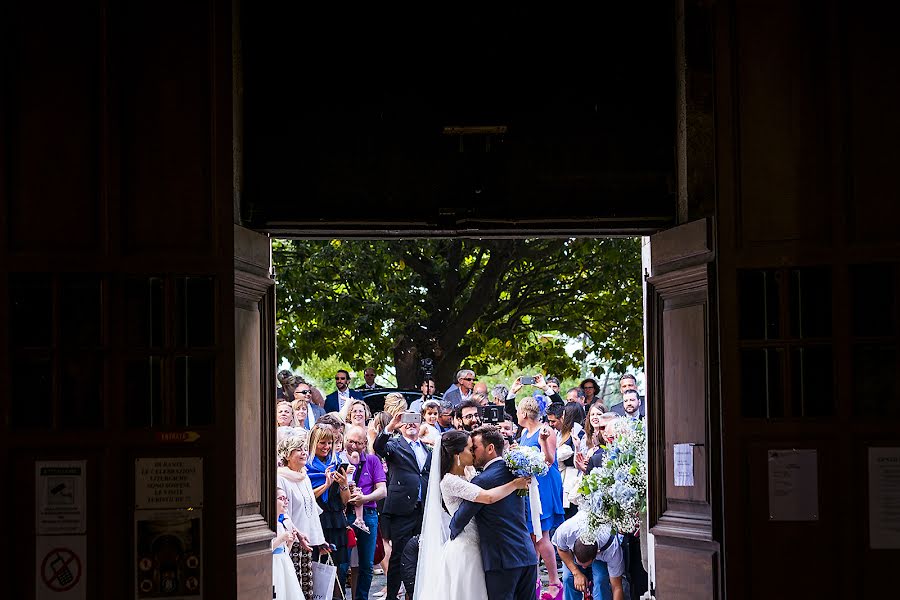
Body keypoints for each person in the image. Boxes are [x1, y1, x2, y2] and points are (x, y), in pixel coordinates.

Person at [414, 428, 531, 600]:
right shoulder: (450, 481)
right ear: (458, 455)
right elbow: (488, 497)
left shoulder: (472, 475)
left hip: (483, 548)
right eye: (470, 449)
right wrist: (514, 484)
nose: (473, 453)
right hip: (466, 547)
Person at [447, 425, 539, 600]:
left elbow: (460, 519)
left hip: (502, 560)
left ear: (490, 448)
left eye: (475, 448)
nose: (472, 452)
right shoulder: (517, 472)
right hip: (527, 554)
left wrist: (452, 534)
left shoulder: (482, 480)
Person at [374, 410, 432, 600]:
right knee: (399, 554)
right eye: (406, 421)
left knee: (421, 553)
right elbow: (379, 447)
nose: (410, 424)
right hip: (402, 509)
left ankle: (414, 593)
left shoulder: (426, 448)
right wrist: (391, 426)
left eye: (414, 420)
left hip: (422, 508)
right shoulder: (394, 445)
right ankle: (392, 595)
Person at [517, 396, 565, 600]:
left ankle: (555, 582)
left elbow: (549, 460)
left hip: (544, 485)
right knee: (530, 535)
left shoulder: (546, 431)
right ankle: (533, 580)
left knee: (541, 536)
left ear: (525, 413)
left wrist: (544, 442)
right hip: (530, 486)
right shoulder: (523, 432)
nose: (517, 415)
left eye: (519, 412)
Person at [277, 432, 328, 598]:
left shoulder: (305, 476)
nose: (304, 452)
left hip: (307, 542)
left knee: (307, 590)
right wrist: (297, 535)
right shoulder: (280, 478)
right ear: (287, 455)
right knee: (294, 588)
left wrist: (319, 539)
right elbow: (282, 511)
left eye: (305, 449)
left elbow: (311, 510)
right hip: (292, 540)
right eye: (298, 449)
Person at [306, 425, 352, 590]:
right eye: (322, 443)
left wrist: (344, 484)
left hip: (336, 521)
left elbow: (345, 501)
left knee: (337, 568)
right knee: (315, 567)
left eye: (330, 443)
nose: (326, 447)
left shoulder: (338, 464)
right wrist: (326, 484)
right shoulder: (306, 468)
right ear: (313, 443)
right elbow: (307, 498)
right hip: (316, 521)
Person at [343, 425, 386, 600]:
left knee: (367, 564)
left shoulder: (372, 460)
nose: (353, 446)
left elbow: (382, 491)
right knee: (343, 562)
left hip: (368, 513)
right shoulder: (339, 458)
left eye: (358, 443)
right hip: (345, 513)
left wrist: (365, 498)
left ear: (365, 443)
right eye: (350, 441)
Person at [552, 511, 625, 600]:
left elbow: (617, 587)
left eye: (586, 565)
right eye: (581, 565)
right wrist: (576, 573)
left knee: (600, 579)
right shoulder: (566, 531)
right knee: (568, 578)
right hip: (574, 552)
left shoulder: (612, 549)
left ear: (597, 554)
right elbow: (561, 550)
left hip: (601, 551)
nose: (584, 568)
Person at [273, 486, 309, 600]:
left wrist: (290, 542)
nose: (285, 502)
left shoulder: (282, 523)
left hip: (284, 562)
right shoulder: (269, 525)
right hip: (274, 564)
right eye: (281, 498)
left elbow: (285, 551)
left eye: (286, 499)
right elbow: (266, 550)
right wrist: (281, 538)